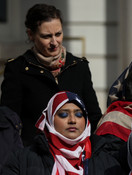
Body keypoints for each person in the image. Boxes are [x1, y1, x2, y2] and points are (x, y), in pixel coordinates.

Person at [0, 4, 101, 146]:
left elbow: (93, 116)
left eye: (58, 34)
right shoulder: (18, 69)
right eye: (46, 36)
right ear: (31, 35)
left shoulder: (79, 66)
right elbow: (9, 121)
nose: (55, 42)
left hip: (77, 155)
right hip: (35, 157)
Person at [1, 91, 124, 175]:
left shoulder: (107, 162)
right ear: (50, 119)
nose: (72, 120)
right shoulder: (21, 159)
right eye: (63, 114)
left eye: (79, 114)